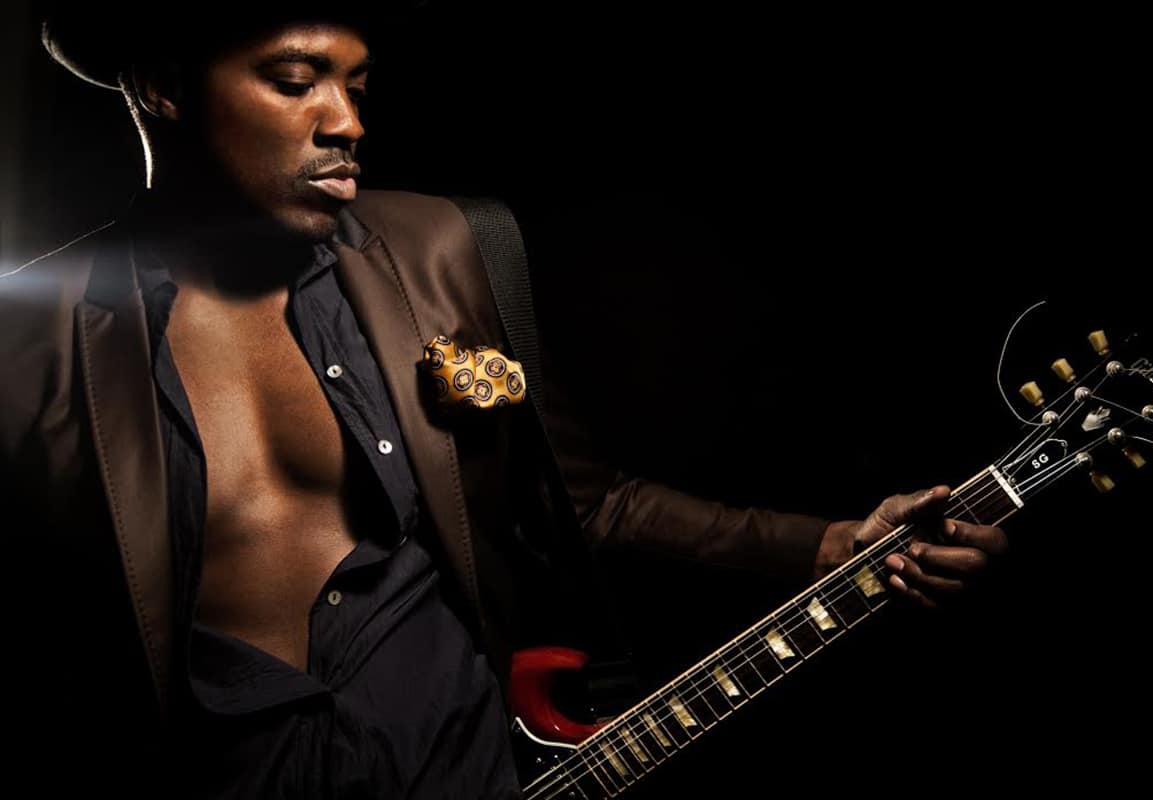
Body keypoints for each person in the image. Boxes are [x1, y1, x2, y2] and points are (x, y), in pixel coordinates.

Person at [2, 2, 1008, 797]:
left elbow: (584, 498)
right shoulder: (27, 339)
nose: (347, 121)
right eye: (296, 80)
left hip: (462, 761)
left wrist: (828, 541)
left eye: (356, 84)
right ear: (164, 86)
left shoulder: (442, 248)